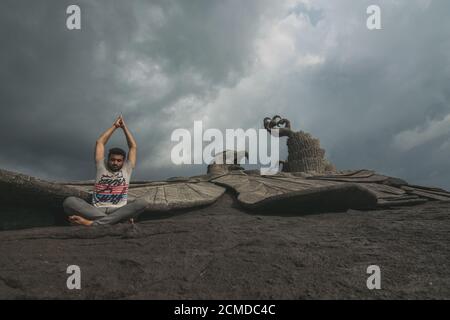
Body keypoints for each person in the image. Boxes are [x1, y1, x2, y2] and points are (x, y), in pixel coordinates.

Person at [62, 115, 147, 226]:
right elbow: (100, 142)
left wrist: (124, 128)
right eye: (112, 160)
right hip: (96, 210)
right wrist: (115, 126)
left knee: (142, 202)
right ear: (108, 159)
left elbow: (133, 147)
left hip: (118, 210)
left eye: (118, 160)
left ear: (123, 161)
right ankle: (115, 222)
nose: (115, 163)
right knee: (69, 201)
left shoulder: (127, 168)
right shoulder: (101, 166)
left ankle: (92, 224)